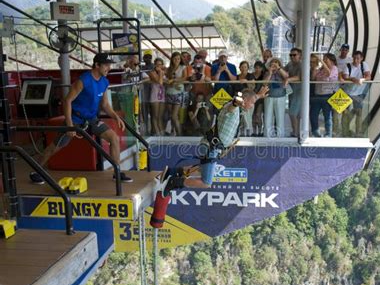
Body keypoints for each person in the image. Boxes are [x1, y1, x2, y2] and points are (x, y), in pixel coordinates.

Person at [150, 86, 270, 228]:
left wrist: (258, 95)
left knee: (201, 170)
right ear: (244, 101)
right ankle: (174, 183)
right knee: (206, 182)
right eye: (252, 102)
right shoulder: (233, 108)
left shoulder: (240, 109)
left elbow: (248, 98)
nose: (253, 105)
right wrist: (236, 102)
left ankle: (172, 172)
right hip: (210, 148)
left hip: (211, 148)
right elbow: (233, 105)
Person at [29, 53, 133, 184]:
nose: (109, 68)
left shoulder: (104, 81)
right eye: (106, 65)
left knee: (113, 138)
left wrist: (116, 117)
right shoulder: (84, 80)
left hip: (91, 119)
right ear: (97, 65)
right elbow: (67, 101)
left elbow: (105, 104)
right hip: (75, 119)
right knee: (56, 146)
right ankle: (35, 170)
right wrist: (69, 124)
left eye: (109, 65)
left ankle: (117, 172)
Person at [342, 50, 371, 137]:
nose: (355, 60)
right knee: (345, 112)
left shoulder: (364, 65)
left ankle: (358, 132)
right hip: (347, 92)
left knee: (359, 112)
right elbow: (345, 77)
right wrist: (353, 79)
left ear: (361, 59)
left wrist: (363, 79)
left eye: (358, 58)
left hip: (359, 93)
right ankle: (345, 132)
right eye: (354, 58)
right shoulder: (347, 66)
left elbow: (368, 76)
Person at [310, 53, 339, 137]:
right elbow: (313, 78)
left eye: (326, 59)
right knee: (313, 114)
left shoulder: (334, 68)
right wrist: (315, 69)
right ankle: (315, 132)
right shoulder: (321, 69)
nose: (324, 61)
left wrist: (321, 61)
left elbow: (329, 73)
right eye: (324, 59)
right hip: (317, 94)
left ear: (332, 61)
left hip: (327, 95)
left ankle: (328, 133)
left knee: (327, 115)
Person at [165, 52, 189, 136]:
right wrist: (171, 83)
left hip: (178, 93)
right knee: (172, 115)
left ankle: (180, 134)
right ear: (172, 59)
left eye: (178, 59)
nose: (177, 60)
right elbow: (166, 81)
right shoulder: (168, 69)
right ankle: (173, 132)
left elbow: (185, 78)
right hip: (169, 92)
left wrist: (175, 81)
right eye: (175, 58)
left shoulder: (183, 67)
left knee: (174, 116)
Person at [264, 58, 288, 138]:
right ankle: (267, 136)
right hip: (269, 96)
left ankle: (280, 136)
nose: (274, 64)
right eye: (272, 63)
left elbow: (286, 76)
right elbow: (264, 83)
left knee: (280, 117)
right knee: (268, 117)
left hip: (280, 97)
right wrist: (270, 73)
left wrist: (278, 68)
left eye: (276, 63)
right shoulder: (267, 73)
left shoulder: (282, 71)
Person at [334, 44, 352, 136]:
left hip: (346, 87)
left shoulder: (350, 60)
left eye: (346, 50)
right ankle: (335, 129)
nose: (344, 51)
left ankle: (344, 129)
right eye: (343, 49)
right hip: (337, 86)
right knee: (337, 108)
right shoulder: (336, 60)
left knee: (346, 109)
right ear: (340, 50)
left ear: (348, 51)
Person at [234, 61, 255, 136]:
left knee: (248, 115)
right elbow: (235, 90)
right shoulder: (236, 77)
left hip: (249, 98)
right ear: (239, 68)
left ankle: (249, 130)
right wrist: (240, 95)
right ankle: (242, 130)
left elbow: (252, 87)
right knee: (241, 115)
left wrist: (246, 81)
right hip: (239, 98)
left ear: (248, 68)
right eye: (242, 67)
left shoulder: (251, 76)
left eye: (245, 67)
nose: (243, 68)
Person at [284, 47, 302, 137]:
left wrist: (288, 79)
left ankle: (295, 132)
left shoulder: (301, 65)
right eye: (290, 55)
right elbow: (284, 71)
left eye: (294, 55)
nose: (292, 57)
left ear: (300, 56)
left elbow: (299, 77)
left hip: (299, 92)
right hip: (291, 92)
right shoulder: (290, 64)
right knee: (296, 114)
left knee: (292, 112)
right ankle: (297, 131)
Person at [146, 58, 166, 135]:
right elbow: (160, 82)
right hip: (154, 95)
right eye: (157, 64)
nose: (159, 66)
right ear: (154, 65)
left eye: (160, 64)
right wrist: (161, 72)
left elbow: (167, 81)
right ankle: (158, 134)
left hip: (162, 95)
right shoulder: (152, 72)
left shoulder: (164, 72)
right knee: (155, 116)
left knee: (160, 117)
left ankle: (162, 134)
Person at [252, 61, 266, 136]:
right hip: (252, 97)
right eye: (256, 68)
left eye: (259, 68)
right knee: (253, 115)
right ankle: (254, 131)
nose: (257, 69)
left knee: (258, 114)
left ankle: (260, 131)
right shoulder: (251, 76)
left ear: (262, 68)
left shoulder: (264, 76)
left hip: (260, 98)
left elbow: (264, 85)